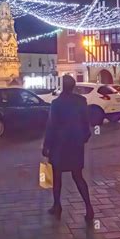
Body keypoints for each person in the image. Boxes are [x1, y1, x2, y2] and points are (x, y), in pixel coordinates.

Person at [42, 75, 94, 221]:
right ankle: (89, 207)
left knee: (57, 177)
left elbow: (51, 126)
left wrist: (46, 145)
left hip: (60, 145)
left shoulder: (56, 103)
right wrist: (84, 136)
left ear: (62, 86)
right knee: (78, 176)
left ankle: (57, 205)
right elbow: (86, 122)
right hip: (76, 144)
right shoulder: (81, 101)